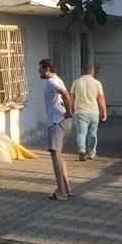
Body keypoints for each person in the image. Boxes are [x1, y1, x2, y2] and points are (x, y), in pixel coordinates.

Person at [39, 59, 75, 201]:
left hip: (57, 121)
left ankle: (61, 192)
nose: (39, 72)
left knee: (55, 156)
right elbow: (68, 94)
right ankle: (67, 188)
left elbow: (66, 94)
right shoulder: (59, 79)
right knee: (59, 155)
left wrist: (69, 110)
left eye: (40, 69)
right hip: (65, 121)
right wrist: (69, 111)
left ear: (47, 69)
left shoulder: (51, 82)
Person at [69, 64, 107, 161]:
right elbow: (101, 98)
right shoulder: (97, 83)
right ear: (92, 72)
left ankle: (82, 148)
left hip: (80, 111)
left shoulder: (76, 82)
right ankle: (92, 154)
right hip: (93, 112)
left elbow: (72, 97)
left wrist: (70, 108)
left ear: (82, 71)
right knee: (93, 133)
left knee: (81, 132)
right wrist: (104, 111)